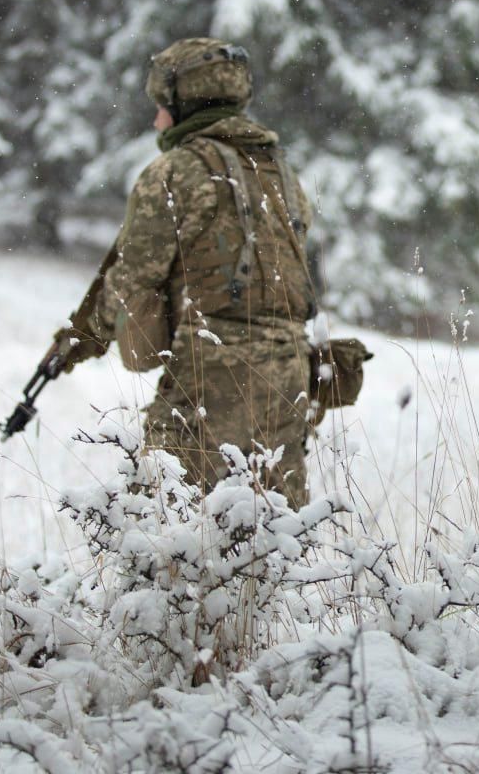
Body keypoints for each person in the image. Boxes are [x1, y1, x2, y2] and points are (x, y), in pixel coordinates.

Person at [69, 38, 316, 503]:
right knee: (277, 529)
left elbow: (133, 277)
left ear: (184, 105)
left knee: (168, 524)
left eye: (162, 106)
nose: (156, 118)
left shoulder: (175, 170)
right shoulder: (281, 171)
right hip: (289, 374)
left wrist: (84, 339)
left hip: (212, 368)